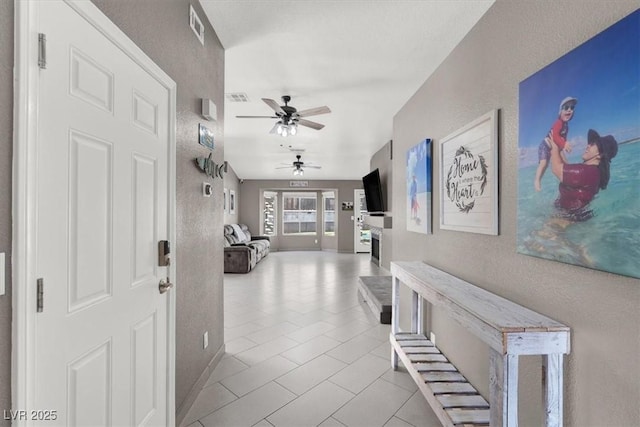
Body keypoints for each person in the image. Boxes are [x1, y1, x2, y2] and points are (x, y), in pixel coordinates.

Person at [548, 128, 618, 221]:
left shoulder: (586, 172)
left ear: (600, 155)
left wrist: (553, 140)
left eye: (592, 144)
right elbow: (567, 169)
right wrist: (560, 147)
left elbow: (556, 169)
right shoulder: (592, 172)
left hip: (563, 221)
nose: (588, 146)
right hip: (571, 218)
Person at [534, 97, 578, 191]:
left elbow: (562, 142)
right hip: (545, 145)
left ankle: (568, 180)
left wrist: (564, 146)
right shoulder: (558, 123)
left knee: (565, 163)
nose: (569, 109)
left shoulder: (566, 127)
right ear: (560, 112)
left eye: (572, 107)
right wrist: (564, 144)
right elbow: (555, 137)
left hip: (555, 147)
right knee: (544, 163)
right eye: (566, 107)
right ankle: (537, 180)